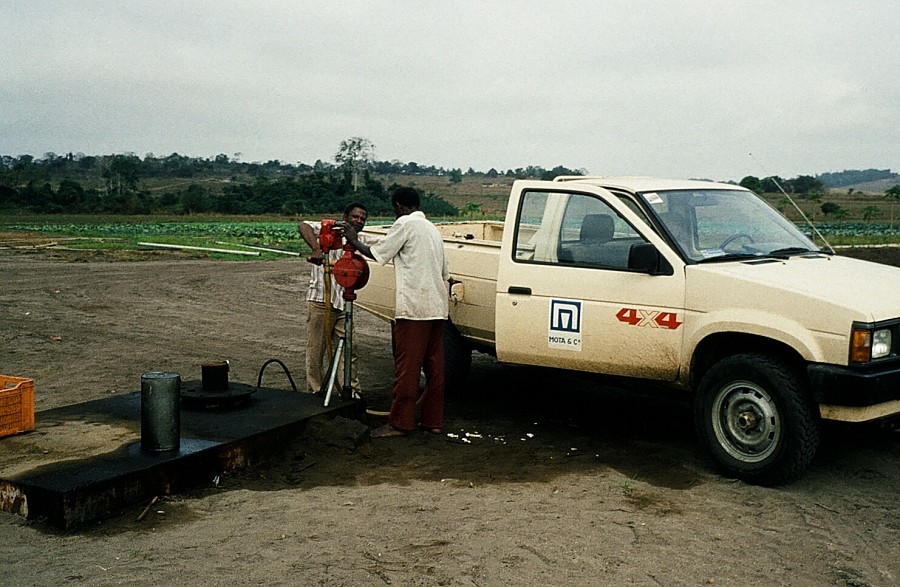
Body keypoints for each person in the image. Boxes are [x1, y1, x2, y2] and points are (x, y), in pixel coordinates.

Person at [343, 187, 449, 438]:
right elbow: (445, 272)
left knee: (407, 369)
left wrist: (354, 240)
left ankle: (400, 423)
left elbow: (379, 252)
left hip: (414, 309)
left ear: (400, 206)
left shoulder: (406, 224)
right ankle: (433, 421)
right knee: (435, 369)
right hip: (437, 308)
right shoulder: (433, 230)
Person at [298, 202, 369, 398]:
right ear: (345, 217)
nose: (359, 221)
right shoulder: (329, 229)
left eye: (362, 218)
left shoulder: (359, 239)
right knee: (316, 351)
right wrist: (316, 249)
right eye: (355, 216)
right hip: (321, 300)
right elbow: (303, 225)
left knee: (349, 348)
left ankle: (350, 392)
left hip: (343, 303)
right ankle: (316, 392)